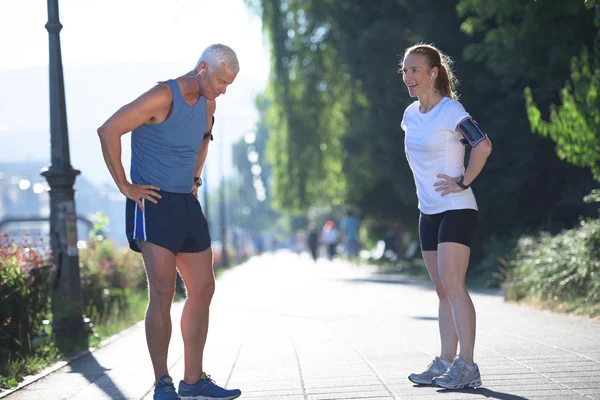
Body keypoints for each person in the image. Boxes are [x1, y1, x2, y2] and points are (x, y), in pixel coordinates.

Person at [97, 44, 242, 400]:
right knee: (162, 292)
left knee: (204, 288)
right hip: (154, 204)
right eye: (221, 81)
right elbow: (109, 130)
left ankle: (193, 380)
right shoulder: (163, 95)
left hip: (185, 203)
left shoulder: (209, 105)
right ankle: (162, 382)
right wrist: (125, 186)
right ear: (203, 68)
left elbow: (204, 141)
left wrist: (195, 178)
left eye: (228, 85)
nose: (223, 90)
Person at [399, 43, 492, 389]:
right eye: (405, 71)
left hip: (457, 208)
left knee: (454, 284)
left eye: (414, 70)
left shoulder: (451, 111)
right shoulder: (410, 115)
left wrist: (463, 180)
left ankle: (467, 365)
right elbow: (413, 156)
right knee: (442, 289)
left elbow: (482, 145)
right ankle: (444, 360)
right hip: (429, 211)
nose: (408, 77)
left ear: (433, 72)